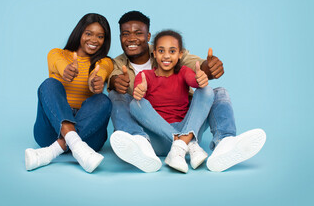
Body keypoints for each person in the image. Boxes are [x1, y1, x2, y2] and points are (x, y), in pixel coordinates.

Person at [108, 10, 266, 173]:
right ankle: (142, 144)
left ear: (148, 37)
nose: (131, 38)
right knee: (119, 96)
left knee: (217, 92)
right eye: (125, 34)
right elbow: (114, 77)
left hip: (188, 124)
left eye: (138, 33)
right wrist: (119, 83)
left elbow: (197, 67)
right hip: (152, 134)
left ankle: (225, 144)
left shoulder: (168, 49)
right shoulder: (119, 64)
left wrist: (206, 71)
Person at [25, 13, 114, 173]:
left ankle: (51, 152)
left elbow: (103, 72)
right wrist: (66, 70)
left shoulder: (105, 62)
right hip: (50, 130)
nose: (94, 40)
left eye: (100, 36)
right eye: (88, 34)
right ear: (79, 33)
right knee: (49, 84)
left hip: (90, 134)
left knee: (103, 100)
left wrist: (96, 80)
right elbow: (58, 64)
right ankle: (75, 145)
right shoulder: (57, 54)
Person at [130, 30, 214, 173]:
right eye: (161, 51)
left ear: (180, 54)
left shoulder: (183, 71)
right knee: (134, 103)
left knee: (207, 90)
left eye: (172, 51)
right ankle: (185, 143)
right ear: (154, 54)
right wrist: (140, 90)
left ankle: (182, 142)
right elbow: (139, 88)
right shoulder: (144, 75)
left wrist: (200, 79)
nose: (167, 56)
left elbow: (194, 81)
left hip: (187, 128)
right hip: (160, 137)